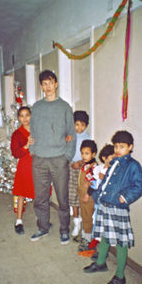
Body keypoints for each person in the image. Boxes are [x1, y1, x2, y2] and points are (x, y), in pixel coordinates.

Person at [83, 131, 142, 284]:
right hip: (104, 204)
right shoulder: (114, 162)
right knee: (104, 235)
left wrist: (124, 198)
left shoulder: (133, 166)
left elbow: (138, 186)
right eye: (116, 146)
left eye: (122, 147)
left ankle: (120, 276)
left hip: (118, 208)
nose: (118, 149)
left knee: (121, 242)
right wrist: (98, 194)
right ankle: (101, 263)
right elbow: (106, 180)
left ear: (130, 147)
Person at [30, 70, 76, 245]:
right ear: (41, 87)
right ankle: (43, 227)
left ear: (56, 84)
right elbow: (32, 131)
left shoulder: (64, 107)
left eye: (50, 83)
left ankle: (64, 230)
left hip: (59, 159)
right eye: (44, 84)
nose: (47, 87)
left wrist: (67, 156)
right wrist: (33, 150)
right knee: (40, 197)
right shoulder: (37, 107)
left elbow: (71, 134)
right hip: (39, 159)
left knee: (62, 198)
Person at [11, 106, 34, 235]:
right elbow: (15, 153)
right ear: (19, 118)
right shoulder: (17, 134)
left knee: (39, 193)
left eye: (27, 115)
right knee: (21, 193)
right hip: (25, 165)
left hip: (38, 164)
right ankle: (19, 221)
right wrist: (26, 146)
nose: (25, 118)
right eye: (22, 116)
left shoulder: (37, 131)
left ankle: (41, 219)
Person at [68, 110, 90, 238]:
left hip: (83, 169)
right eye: (77, 124)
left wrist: (80, 162)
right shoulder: (70, 136)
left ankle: (84, 221)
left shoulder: (87, 138)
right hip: (70, 168)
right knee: (72, 196)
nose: (79, 128)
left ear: (86, 126)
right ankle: (76, 221)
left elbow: (90, 155)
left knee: (82, 196)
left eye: (82, 125)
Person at [77, 139, 97, 251]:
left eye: (87, 153)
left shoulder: (93, 167)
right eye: (82, 153)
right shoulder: (85, 165)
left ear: (93, 154)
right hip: (82, 196)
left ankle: (88, 240)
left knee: (88, 217)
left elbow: (93, 184)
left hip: (88, 197)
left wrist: (87, 195)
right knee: (84, 216)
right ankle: (85, 235)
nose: (84, 156)